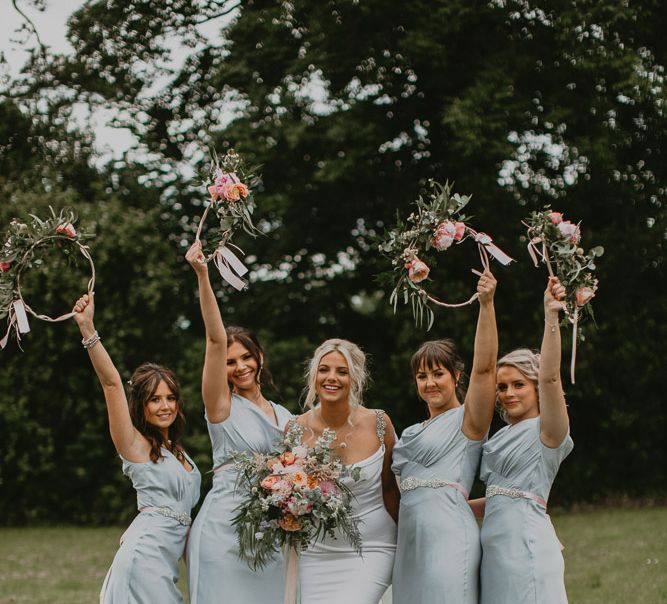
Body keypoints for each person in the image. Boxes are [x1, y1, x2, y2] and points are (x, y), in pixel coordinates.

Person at [72, 293, 201, 604]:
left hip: (166, 562)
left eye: (170, 398)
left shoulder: (178, 451)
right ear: (141, 406)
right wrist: (88, 330)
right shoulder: (133, 445)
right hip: (144, 557)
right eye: (155, 399)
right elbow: (112, 383)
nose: (165, 406)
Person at [184, 241, 293, 604]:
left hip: (271, 533)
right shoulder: (220, 406)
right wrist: (203, 274)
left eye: (247, 356)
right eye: (231, 362)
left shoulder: (287, 416)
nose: (241, 366)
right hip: (223, 530)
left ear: (260, 357)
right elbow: (215, 340)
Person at [391, 269, 498, 604]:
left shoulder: (468, 421)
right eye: (422, 376)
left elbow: (486, 369)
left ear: (456, 375)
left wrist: (486, 305)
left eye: (438, 374)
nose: (430, 383)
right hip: (408, 541)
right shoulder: (408, 432)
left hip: (449, 538)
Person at [477, 276, 573, 604]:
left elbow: (551, 375)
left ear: (534, 386)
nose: (507, 393)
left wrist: (551, 316)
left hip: (527, 547)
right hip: (492, 553)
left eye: (518, 384)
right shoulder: (500, 437)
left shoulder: (549, 431)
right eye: (502, 387)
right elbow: (495, 500)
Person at [294, 338, 400, 604]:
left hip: (372, 548)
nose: (332, 378)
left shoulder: (379, 423)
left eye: (342, 371)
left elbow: (391, 490)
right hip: (315, 553)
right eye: (324, 369)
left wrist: (409, 542)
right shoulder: (294, 429)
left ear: (355, 379)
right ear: (314, 376)